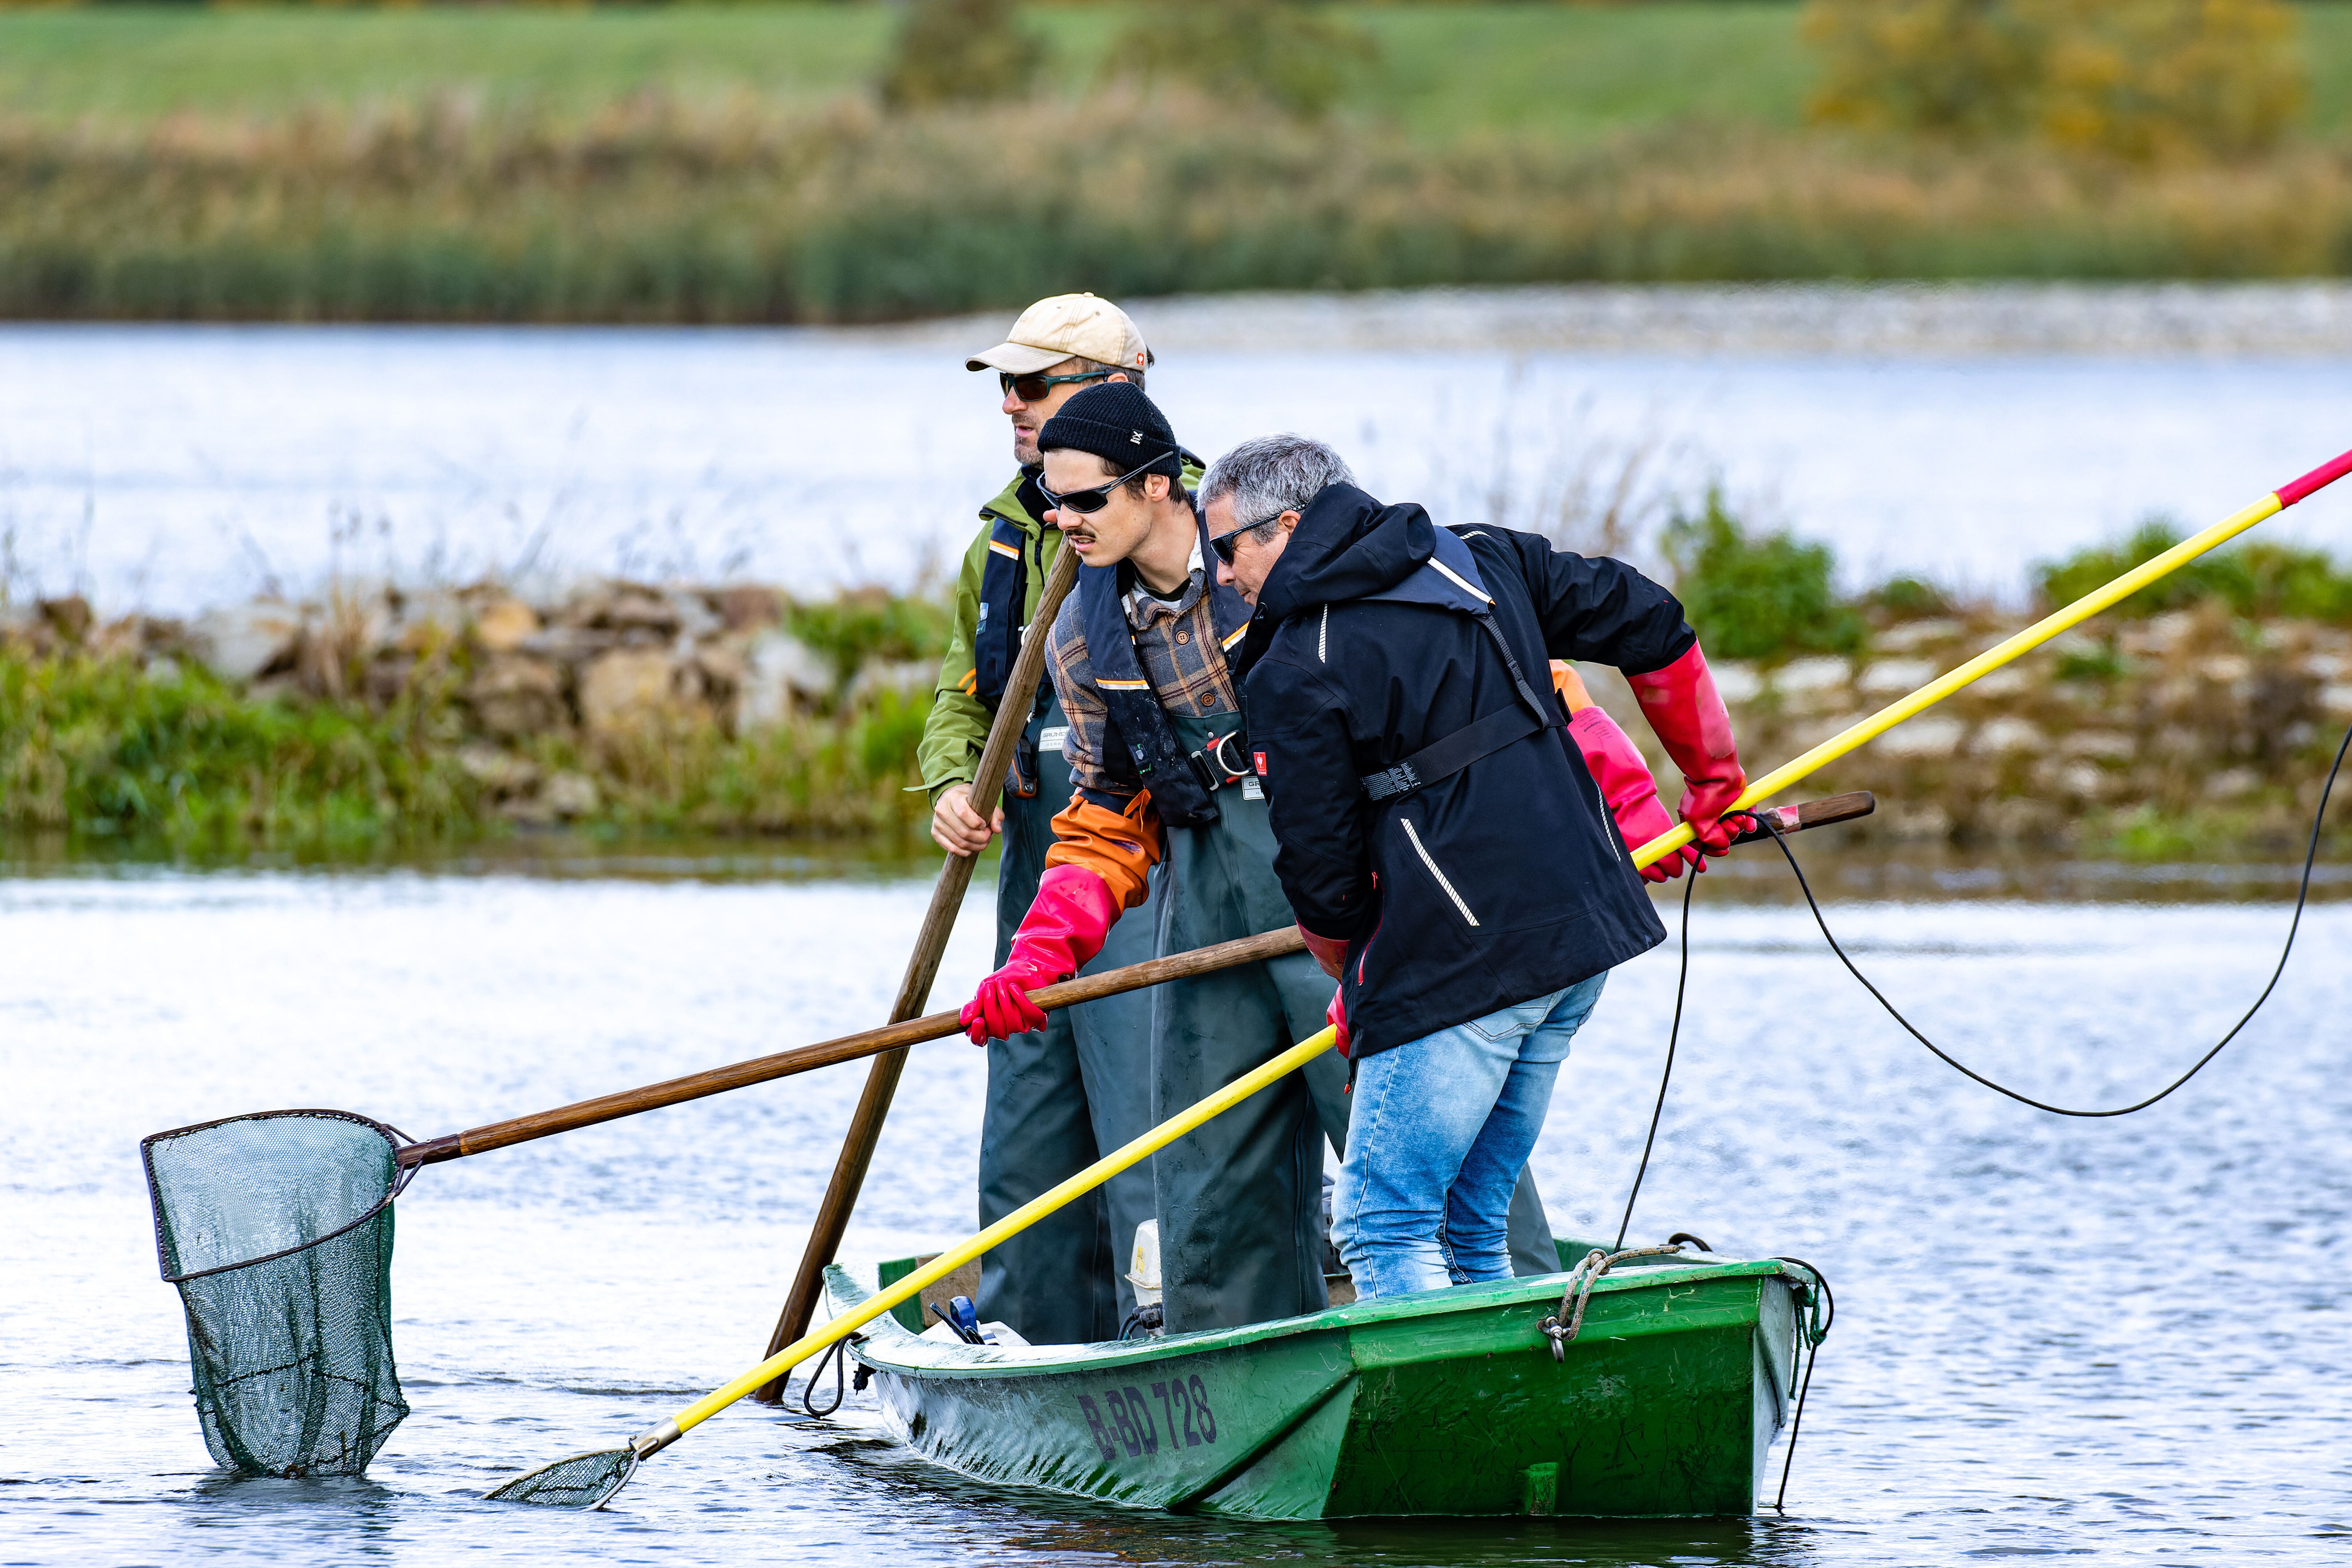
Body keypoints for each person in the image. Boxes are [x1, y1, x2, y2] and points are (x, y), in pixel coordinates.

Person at [959, 386, 1557, 1334]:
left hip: (1355, 903)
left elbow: (1494, 685)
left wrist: (1625, 804)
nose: (1062, 522)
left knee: (1417, 1146)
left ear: (1160, 485)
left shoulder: (1275, 560)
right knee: (1205, 1173)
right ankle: (1233, 1379)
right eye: (1048, 503)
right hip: (1206, 902)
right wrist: (1038, 955)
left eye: (1085, 501)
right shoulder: (1082, 631)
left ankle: (1521, 1329)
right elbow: (1108, 817)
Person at [1208, 433, 1749, 1300]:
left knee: (1383, 1222)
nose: (1224, 575)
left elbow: (1321, 870)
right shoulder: (1481, 555)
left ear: (1289, 526)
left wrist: (1357, 981)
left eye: (1227, 547)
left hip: (1465, 965)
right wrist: (1715, 781)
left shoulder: (1293, 664)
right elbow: (1652, 618)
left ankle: (1440, 1429)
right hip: (1581, 940)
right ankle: (1502, 1413)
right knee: (1469, 1214)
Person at [918, 293, 1165, 1345]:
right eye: (1006, 387)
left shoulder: (1173, 513)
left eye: (1035, 384)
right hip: (1031, 867)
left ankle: (1166, 1328)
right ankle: (1030, 1346)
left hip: (1145, 874)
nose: (1012, 406)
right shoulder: (1004, 542)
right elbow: (960, 697)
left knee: (1144, 1112)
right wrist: (951, 786)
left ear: (1112, 393)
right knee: (1026, 1115)